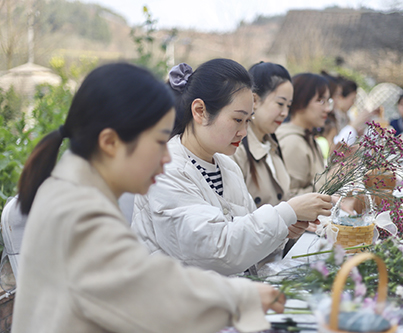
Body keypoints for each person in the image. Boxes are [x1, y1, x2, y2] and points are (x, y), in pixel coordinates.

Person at [12, 63, 285, 333]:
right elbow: (147, 292)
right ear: (110, 143)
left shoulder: (74, 190)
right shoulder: (79, 212)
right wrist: (239, 298)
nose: (166, 156)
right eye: (158, 142)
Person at [131, 59, 333, 276]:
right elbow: (216, 250)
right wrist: (285, 213)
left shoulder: (226, 165)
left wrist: (283, 231)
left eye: (248, 120)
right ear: (200, 111)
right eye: (237, 119)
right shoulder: (167, 169)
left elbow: (244, 238)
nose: (244, 132)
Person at [231, 62, 293, 208]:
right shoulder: (236, 148)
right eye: (280, 103)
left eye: (289, 106)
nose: (285, 113)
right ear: (255, 101)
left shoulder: (272, 145)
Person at [276, 73, 332, 196]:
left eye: (329, 101)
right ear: (301, 100)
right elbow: (288, 196)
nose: (327, 108)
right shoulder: (293, 142)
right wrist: (332, 179)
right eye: (320, 101)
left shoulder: (307, 137)